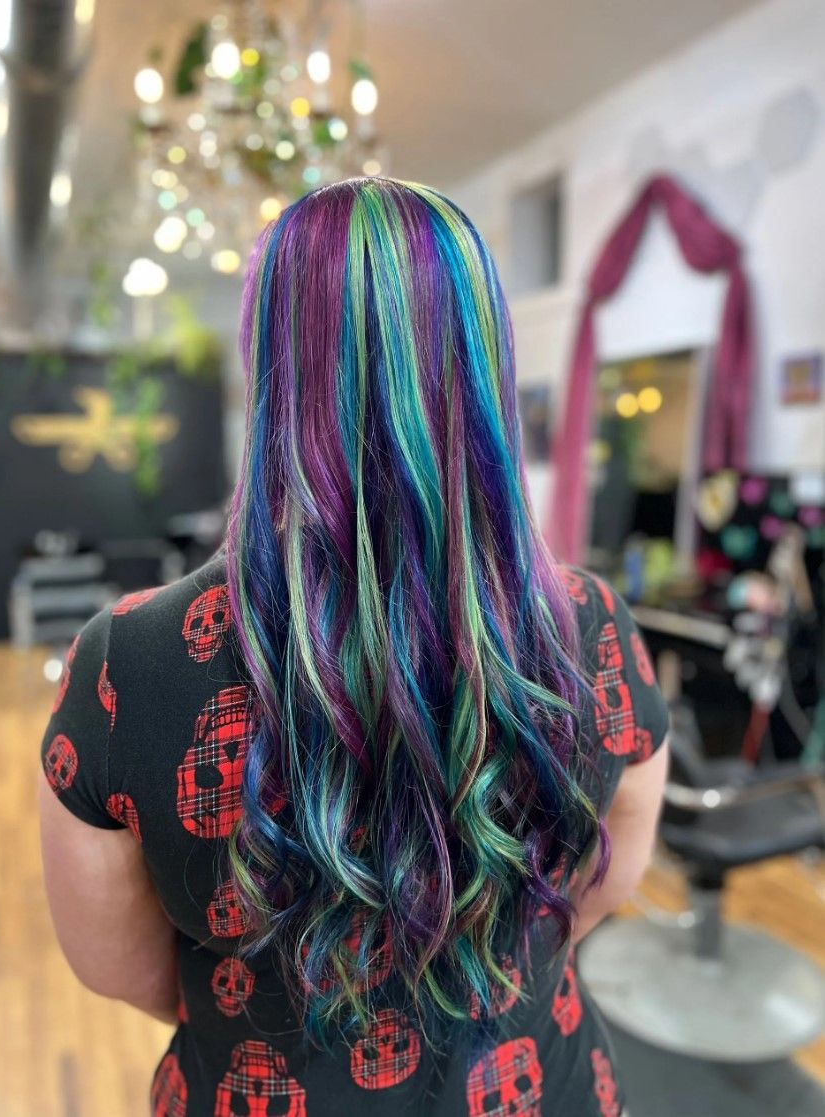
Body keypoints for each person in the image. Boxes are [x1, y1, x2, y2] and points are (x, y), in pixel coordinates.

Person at [39, 177, 669, 1116]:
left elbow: (118, 965)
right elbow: (610, 878)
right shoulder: (596, 627)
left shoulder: (128, 662)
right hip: (535, 1085)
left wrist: (270, 1010)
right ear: (483, 361)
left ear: (271, 367)